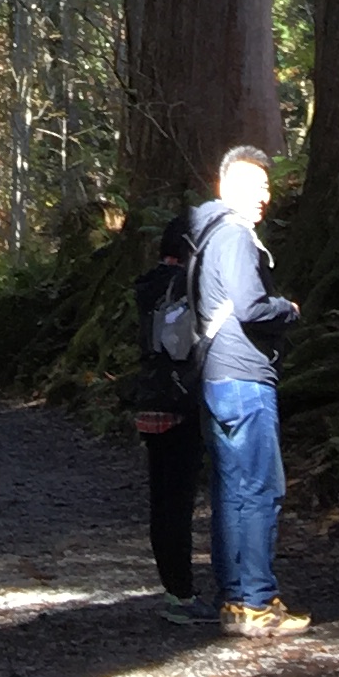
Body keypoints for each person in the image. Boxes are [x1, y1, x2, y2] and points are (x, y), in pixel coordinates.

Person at [191, 143, 304, 635]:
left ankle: (236, 601)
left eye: (266, 187)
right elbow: (251, 306)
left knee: (231, 491)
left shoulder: (206, 234)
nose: (264, 197)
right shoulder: (234, 234)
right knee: (259, 490)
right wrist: (290, 310)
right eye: (253, 187)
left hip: (218, 378)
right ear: (225, 187)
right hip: (243, 379)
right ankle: (258, 600)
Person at [132, 210, 206, 611]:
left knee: (161, 501)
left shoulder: (148, 285)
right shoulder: (185, 286)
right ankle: (182, 591)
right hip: (181, 403)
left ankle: (172, 585)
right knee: (178, 502)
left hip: (150, 399)